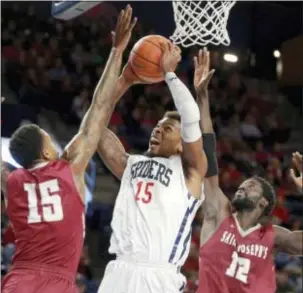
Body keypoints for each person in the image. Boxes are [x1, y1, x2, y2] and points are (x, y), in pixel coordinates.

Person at [1, 6, 137, 293]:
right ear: (48, 153)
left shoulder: (12, 181)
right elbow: (98, 110)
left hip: (19, 280)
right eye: (50, 139)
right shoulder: (69, 167)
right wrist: (116, 52)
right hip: (57, 282)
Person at [96, 43, 207, 293]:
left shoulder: (192, 172)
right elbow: (95, 125)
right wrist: (123, 82)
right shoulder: (131, 164)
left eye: (167, 129)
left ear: (182, 145)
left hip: (159, 276)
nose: (157, 129)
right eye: (157, 125)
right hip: (119, 271)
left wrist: (169, 74)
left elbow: (190, 116)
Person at [194, 48, 303, 293]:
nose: (242, 187)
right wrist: (202, 99)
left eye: (251, 186)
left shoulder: (272, 235)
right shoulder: (219, 212)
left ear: (264, 203)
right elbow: (209, 158)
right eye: (243, 185)